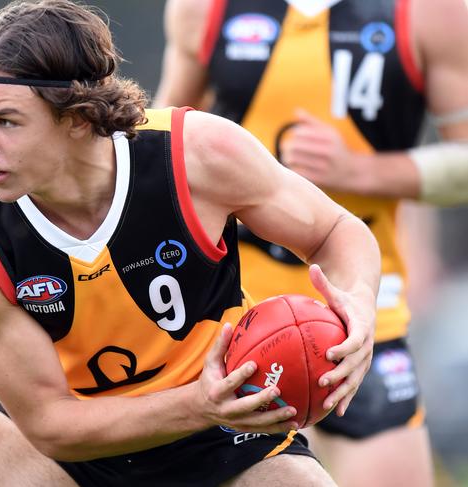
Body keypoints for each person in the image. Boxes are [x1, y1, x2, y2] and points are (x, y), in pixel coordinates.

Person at [0, 1, 380, 485]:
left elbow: (337, 232)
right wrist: (197, 403)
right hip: (82, 448)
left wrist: (357, 308)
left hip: (232, 438)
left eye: (4, 121)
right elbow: (50, 425)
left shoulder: (200, 155)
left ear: (77, 116)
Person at [154, 0, 468, 486]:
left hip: (359, 310)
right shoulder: (202, 7)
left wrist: (360, 171)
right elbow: (157, 142)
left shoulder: (433, 11)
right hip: (227, 316)